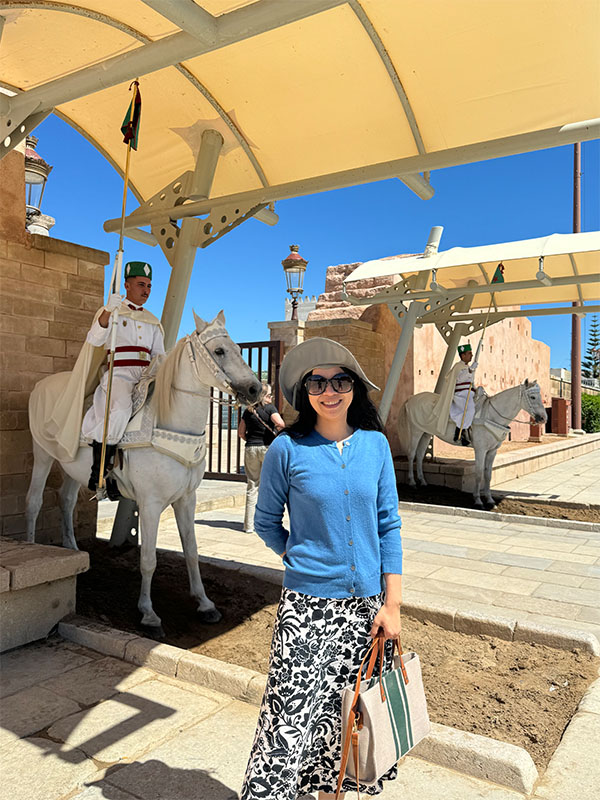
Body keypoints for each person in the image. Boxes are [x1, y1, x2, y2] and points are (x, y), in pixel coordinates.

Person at [240, 337, 403, 800]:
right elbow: (267, 522)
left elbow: (388, 525)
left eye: (339, 380)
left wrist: (393, 604)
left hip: (366, 610)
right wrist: (300, 556)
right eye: (317, 381)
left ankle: (329, 794)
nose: (329, 390)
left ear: (354, 388)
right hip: (305, 612)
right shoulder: (286, 450)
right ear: (303, 391)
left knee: (347, 718)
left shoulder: (375, 446)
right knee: (288, 717)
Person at [82, 261, 164, 490]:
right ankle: (100, 470)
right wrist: (108, 310)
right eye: (140, 284)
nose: (146, 290)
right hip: (120, 373)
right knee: (120, 409)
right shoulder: (111, 312)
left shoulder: (152, 320)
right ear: (127, 285)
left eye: (149, 285)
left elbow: (159, 355)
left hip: (146, 375)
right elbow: (95, 340)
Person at [238, 382, 285, 533]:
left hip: (251, 448)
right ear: (264, 396)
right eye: (269, 395)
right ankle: (267, 523)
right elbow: (280, 423)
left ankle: (248, 526)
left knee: (252, 486)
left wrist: (251, 441)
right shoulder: (270, 409)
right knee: (270, 486)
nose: (271, 397)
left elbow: (241, 432)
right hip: (267, 448)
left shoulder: (248, 411)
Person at [448, 343, 479, 446]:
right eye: (469, 353)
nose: (472, 355)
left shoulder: (467, 367)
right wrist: (470, 371)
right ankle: (461, 433)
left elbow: (471, 381)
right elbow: (459, 379)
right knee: (470, 409)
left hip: (469, 393)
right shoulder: (458, 366)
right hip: (461, 394)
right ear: (463, 355)